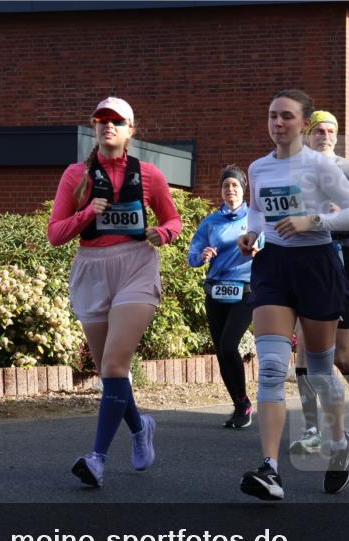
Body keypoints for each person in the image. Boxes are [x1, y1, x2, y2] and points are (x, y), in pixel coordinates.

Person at [237, 90, 349, 501]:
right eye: (273, 116)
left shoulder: (320, 166)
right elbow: (258, 211)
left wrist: (313, 219)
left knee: (319, 368)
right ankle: (271, 469)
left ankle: (338, 442)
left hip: (316, 265)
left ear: (304, 124)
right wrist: (252, 233)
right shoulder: (258, 167)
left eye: (287, 117)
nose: (278, 124)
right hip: (274, 266)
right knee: (273, 368)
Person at [49, 97, 182, 487]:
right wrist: (89, 212)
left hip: (137, 266)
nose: (109, 126)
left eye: (117, 121)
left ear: (130, 129)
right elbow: (55, 234)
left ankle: (97, 458)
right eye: (101, 120)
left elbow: (172, 219)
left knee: (113, 365)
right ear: (94, 127)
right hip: (91, 269)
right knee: (111, 372)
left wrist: (162, 232)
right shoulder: (76, 175)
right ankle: (141, 428)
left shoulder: (151, 175)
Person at [290, 110, 349, 455]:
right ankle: (313, 429)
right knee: (305, 351)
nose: (325, 136)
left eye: (331, 131)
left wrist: (342, 211)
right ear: (307, 135)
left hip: (342, 262)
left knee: (339, 355)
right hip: (305, 261)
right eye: (318, 131)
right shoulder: (294, 172)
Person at [188, 166, 261, 428]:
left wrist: (258, 252)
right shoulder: (211, 222)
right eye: (226, 186)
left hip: (245, 291)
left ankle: (243, 404)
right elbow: (193, 254)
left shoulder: (255, 218)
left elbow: (270, 246)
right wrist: (202, 255)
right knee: (221, 351)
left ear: (244, 190)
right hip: (216, 290)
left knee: (229, 345)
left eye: (235, 186)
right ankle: (241, 404)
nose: (230, 190)